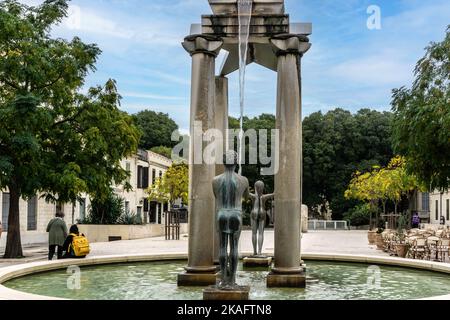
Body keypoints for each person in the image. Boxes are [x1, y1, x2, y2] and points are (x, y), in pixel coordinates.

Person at [212, 151, 249, 289]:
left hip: (221, 213)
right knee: (234, 247)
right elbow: (245, 196)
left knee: (222, 246)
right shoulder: (243, 180)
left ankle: (223, 280)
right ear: (236, 162)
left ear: (223, 162)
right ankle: (232, 280)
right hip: (236, 214)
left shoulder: (215, 180)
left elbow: (216, 196)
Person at [249, 181, 274, 257]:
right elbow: (273, 194)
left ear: (255, 187)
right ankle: (259, 252)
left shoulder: (253, 196)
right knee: (261, 233)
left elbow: (245, 193)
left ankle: (254, 252)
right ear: (262, 188)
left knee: (254, 233)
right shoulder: (264, 197)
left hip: (254, 212)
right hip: (262, 212)